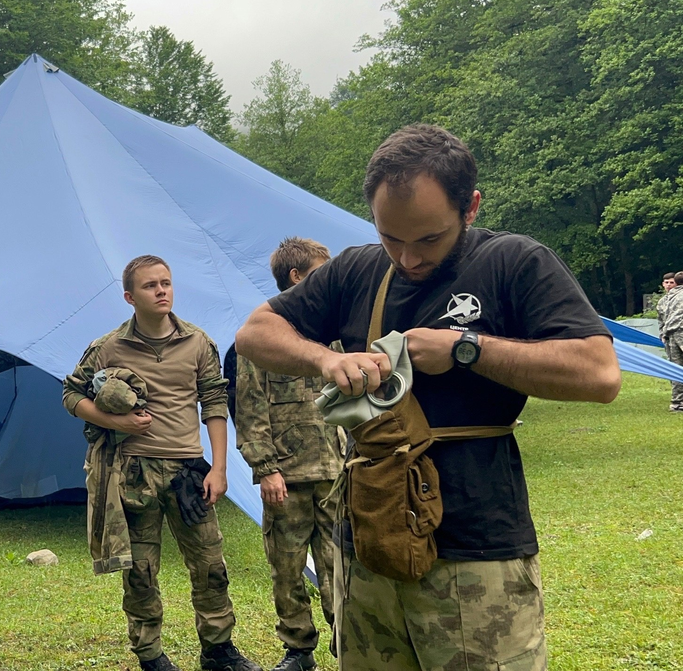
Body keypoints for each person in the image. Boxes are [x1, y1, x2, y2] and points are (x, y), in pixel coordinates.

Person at [236, 124, 620, 671]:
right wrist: (327, 359)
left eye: (428, 239)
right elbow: (254, 332)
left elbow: (600, 374)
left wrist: (467, 348)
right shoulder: (357, 269)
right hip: (368, 542)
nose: (408, 259)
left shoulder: (514, 262)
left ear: (471, 207)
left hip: (477, 548)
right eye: (391, 237)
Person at [63, 255, 262, 671]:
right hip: (132, 472)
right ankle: (150, 654)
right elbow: (71, 395)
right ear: (129, 297)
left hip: (188, 471)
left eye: (166, 283)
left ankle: (218, 650)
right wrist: (114, 420)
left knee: (210, 565)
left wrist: (220, 468)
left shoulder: (197, 342)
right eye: (151, 285)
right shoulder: (107, 348)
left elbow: (215, 402)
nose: (161, 291)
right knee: (140, 571)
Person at [235, 238, 341, 671]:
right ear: (297, 277)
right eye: (322, 271)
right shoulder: (264, 336)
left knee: (345, 565)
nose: (330, 279)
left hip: (337, 473)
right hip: (287, 477)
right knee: (287, 568)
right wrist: (266, 470)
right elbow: (250, 408)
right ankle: (298, 651)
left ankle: (348, 643)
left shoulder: (336, 330)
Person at [658, 270, 683, 411]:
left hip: (671, 335)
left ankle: (677, 402)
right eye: (666, 282)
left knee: (676, 368)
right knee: (677, 368)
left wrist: (664, 334)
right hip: (678, 333)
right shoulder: (666, 299)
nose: (668, 285)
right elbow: (661, 320)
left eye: (671, 282)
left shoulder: (669, 298)